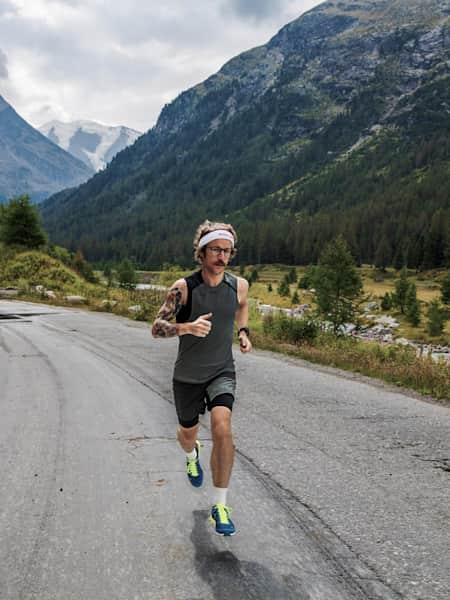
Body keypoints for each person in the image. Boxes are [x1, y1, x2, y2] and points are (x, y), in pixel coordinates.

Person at [151, 220, 252, 536]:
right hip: (188, 376)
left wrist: (244, 331)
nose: (222, 256)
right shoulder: (183, 288)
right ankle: (191, 455)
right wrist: (186, 327)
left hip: (222, 370)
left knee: (223, 428)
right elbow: (156, 327)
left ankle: (220, 504)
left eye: (227, 251)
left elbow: (242, 306)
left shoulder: (240, 285)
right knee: (187, 433)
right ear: (202, 252)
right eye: (216, 250)